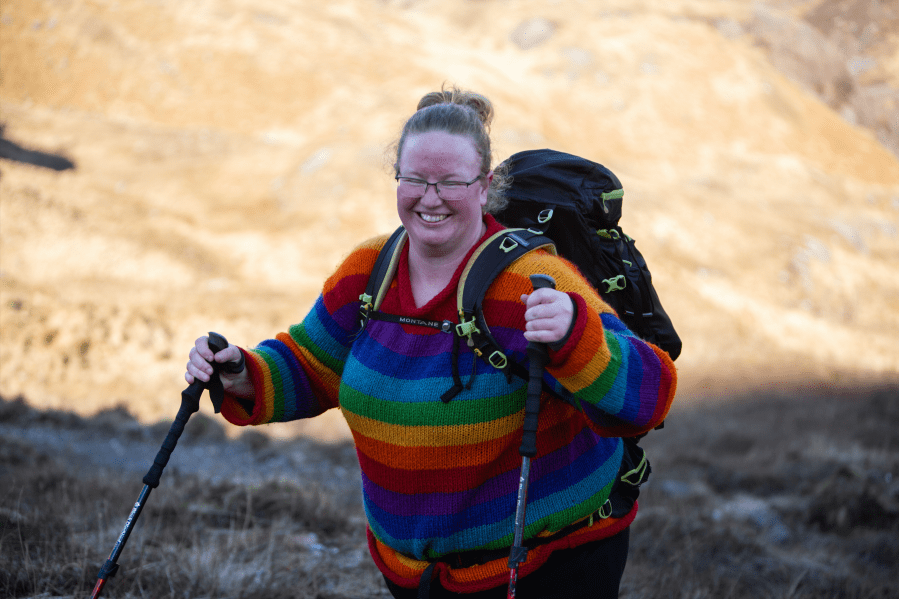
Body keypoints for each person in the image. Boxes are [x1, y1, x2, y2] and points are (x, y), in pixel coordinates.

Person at [185, 85, 677, 598]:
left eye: (450, 183)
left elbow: (650, 394)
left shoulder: (533, 282)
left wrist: (578, 337)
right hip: (413, 577)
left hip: (544, 572)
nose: (430, 197)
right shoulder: (368, 272)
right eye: (415, 180)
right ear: (396, 178)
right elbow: (313, 364)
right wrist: (245, 373)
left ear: (485, 187)